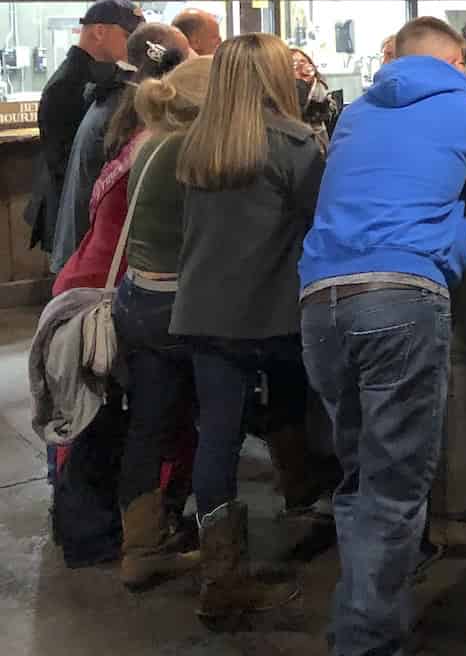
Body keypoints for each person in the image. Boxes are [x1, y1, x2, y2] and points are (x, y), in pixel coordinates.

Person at [300, 17, 466, 656]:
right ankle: (365, 642)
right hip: (402, 295)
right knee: (394, 492)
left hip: (320, 302)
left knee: (360, 479)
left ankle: (365, 610)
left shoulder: (357, 113)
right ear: (454, 64)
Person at [173, 33, 327, 623]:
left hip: (201, 312)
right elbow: (323, 220)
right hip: (271, 313)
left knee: (218, 437)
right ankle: (307, 502)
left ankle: (223, 577)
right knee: (303, 405)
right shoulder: (293, 145)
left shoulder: (198, 144)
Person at [112, 57, 214, 592]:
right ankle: (227, 552)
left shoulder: (151, 141)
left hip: (138, 299)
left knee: (149, 427)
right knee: (221, 422)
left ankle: (142, 547)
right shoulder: (194, 149)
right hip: (180, 307)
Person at [52, 24, 189, 295]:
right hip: (102, 284)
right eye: (187, 57)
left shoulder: (118, 104)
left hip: (85, 268)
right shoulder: (149, 132)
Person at [26, 0, 143, 254]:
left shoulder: (101, 75)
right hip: (71, 211)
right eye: (128, 36)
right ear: (99, 31)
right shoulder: (67, 84)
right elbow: (63, 161)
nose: (134, 44)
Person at [290, 47, 342, 146]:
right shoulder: (288, 92)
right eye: (294, 63)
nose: (300, 67)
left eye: (303, 61)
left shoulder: (320, 88)